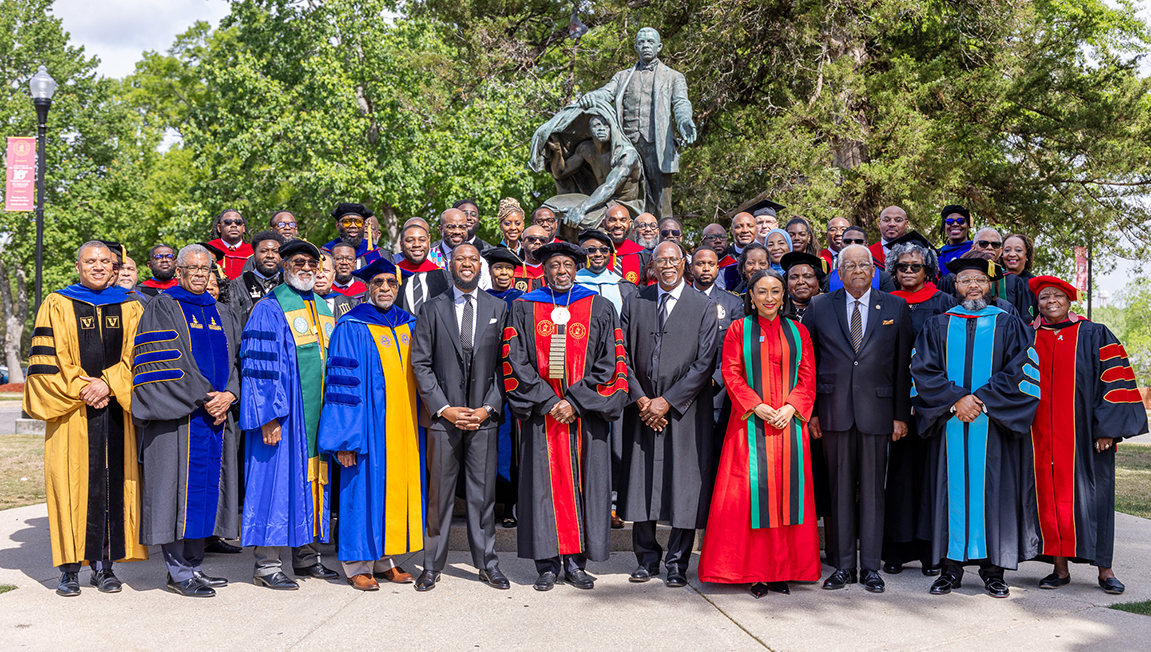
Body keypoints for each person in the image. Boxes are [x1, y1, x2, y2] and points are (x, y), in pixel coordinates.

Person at [501, 241, 630, 591]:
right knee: (541, 487)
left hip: (583, 417)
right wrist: (547, 401)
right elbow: (515, 360)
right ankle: (546, 565)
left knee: (585, 485)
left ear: (577, 268)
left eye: (568, 265)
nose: (562, 271)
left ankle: (575, 562)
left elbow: (610, 363)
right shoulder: (524, 307)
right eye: (555, 265)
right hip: (542, 418)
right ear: (544, 270)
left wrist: (574, 401)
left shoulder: (599, 307)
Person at [911, 257, 1041, 598]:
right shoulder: (938, 325)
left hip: (991, 423)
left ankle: (993, 571)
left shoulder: (1009, 325)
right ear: (955, 286)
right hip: (950, 421)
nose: (972, 286)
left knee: (992, 494)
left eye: (979, 281)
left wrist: (980, 400)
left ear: (989, 286)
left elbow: (1021, 371)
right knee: (949, 492)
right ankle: (949, 570)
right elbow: (922, 371)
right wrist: (956, 401)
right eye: (965, 280)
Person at [23, 241, 148, 596]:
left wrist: (108, 384)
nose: (97, 267)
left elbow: (138, 357)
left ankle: (105, 567)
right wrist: (85, 387)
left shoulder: (131, 307)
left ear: (114, 268)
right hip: (71, 412)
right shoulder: (57, 303)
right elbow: (51, 359)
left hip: (115, 411)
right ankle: (68, 569)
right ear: (77, 266)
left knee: (113, 484)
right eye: (90, 261)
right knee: (69, 484)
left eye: (104, 262)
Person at [697, 269, 820, 596]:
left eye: (775, 291)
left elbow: (808, 376)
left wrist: (791, 408)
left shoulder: (799, 332)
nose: (769, 298)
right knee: (750, 498)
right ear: (750, 296)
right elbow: (731, 372)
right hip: (749, 426)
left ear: (783, 296)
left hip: (789, 428)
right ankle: (753, 570)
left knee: (786, 497)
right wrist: (757, 406)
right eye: (762, 291)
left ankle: (784, 569)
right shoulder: (739, 329)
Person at [804, 244, 913, 594]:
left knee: (872, 493)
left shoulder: (895, 305)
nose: (858, 270)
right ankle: (843, 567)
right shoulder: (820, 306)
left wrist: (899, 415)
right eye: (849, 265)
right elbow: (807, 363)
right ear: (839, 272)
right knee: (839, 491)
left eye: (864, 264)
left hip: (879, 413)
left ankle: (870, 568)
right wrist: (814, 412)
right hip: (833, 413)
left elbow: (901, 367)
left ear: (874, 269)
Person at [132, 244, 240, 598]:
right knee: (174, 492)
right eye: (190, 268)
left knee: (209, 492)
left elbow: (239, 360)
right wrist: (205, 396)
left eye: (204, 269)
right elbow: (163, 360)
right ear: (178, 271)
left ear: (212, 273)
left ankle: (193, 566)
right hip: (180, 418)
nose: (197, 273)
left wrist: (230, 395)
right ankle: (178, 571)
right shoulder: (163, 305)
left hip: (216, 418)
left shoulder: (223, 311)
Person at [1027, 275, 1147, 595]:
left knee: (1095, 501)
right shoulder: (1029, 336)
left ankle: (1105, 570)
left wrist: (1108, 429)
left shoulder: (1094, 334)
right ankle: (1059, 568)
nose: (1051, 301)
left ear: (1070, 300)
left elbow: (1115, 382)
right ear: (1037, 304)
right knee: (1050, 500)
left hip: (1087, 438)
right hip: (1041, 438)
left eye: (1058, 296)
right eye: (1044, 297)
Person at [239, 239, 339, 590]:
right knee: (274, 483)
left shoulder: (326, 309)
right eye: (299, 261)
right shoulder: (270, 307)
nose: (307, 267)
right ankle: (266, 565)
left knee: (313, 482)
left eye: (314, 262)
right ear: (285, 266)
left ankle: (307, 556)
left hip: (317, 419)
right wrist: (267, 416)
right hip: (284, 417)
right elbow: (259, 366)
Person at [318, 257, 422, 591]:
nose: (385, 289)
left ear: (398, 287)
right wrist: (345, 441)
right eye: (379, 283)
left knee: (395, 491)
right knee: (361, 492)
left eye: (391, 283)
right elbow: (341, 387)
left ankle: (386, 558)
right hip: (365, 432)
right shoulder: (351, 326)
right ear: (368, 287)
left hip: (404, 427)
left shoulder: (410, 324)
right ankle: (356, 563)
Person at [618, 241, 718, 587]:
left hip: (685, 411)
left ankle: (677, 562)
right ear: (653, 265)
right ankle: (646, 558)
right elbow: (622, 355)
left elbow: (705, 363)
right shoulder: (636, 301)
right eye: (661, 260)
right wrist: (643, 400)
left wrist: (668, 401)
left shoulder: (703, 306)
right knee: (641, 482)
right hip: (641, 408)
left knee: (684, 485)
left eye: (674, 260)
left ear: (684, 264)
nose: (668, 265)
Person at [410, 244, 509, 591]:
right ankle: (432, 565)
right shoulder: (431, 309)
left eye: (472, 260)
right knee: (439, 495)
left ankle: (487, 564)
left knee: (483, 497)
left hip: (484, 418)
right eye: (460, 259)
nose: (466, 264)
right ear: (449, 265)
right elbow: (420, 363)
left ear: (479, 266)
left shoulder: (499, 307)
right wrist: (444, 408)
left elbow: (505, 366)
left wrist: (487, 408)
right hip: (443, 419)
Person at [880, 233, 956, 577]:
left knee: (930, 478)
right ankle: (895, 550)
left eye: (916, 265)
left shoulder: (943, 303)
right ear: (893, 270)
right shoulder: (883, 302)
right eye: (902, 266)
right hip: (892, 404)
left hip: (931, 405)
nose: (909, 270)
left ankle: (930, 553)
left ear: (928, 270)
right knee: (895, 478)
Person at [578, 27, 696, 218]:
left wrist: (684, 120)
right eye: (641, 42)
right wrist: (591, 96)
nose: (646, 46)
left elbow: (681, 102)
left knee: (661, 200)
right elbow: (606, 92)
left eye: (650, 42)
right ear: (636, 47)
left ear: (659, 46)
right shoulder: (622, 77)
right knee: (627, 195)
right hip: (627, 144)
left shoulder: (673, 77)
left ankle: (664, 241)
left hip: (658, 146)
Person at [482, 247, 527, 526]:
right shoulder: (483, 300)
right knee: (490, 444)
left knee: (514, 445)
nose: (503, 273)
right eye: (498, 268)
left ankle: (512, 505)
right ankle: (490, 506)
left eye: (508, 269)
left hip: (517, 379)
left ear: (515, 272)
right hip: (488, 377)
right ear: (490, 271)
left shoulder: (522, 302)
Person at [937, 228, 1035, 320]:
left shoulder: (1013, 281)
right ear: (973, 247)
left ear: (1000, 250)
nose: (989, 247)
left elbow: (1023, 320)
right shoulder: (950, 279)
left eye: (995, 245)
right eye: (983, 243)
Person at [226, 230, 284, 324]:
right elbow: (232, 324)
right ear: (254, 256)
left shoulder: (288, 285)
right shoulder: (238, 285)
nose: (270, 255)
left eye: (275, 251)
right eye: (264, 251)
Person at [575, 229, 639, 315]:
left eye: (604, 249)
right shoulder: (573, 284)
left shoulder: (624, 286)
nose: (598, 254)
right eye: (591, 250)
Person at [396, 222, 452, 315]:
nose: (417, 244)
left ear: (428, 243)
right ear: (401, 245)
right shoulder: (392, 276)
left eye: (422, 240)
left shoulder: (445, 277)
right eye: (410, 240)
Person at [825, 227, 898, 293]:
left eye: (858, 241)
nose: (853, 244)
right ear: (841, 245)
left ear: (866, 245)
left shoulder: (883, 278)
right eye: (847, 241)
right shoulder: (829, 279)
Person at [604, 204, 652, 286]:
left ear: (630, 224)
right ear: (604, 223)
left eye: (623, 220)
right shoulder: (595, 253)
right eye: (613, 220)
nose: (618, 225)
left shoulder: (643, 254)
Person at [780, 252, 827, 323]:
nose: (801, 282)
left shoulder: (829, 305)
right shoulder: (780, 308)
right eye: (794, 277)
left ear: (818, 279)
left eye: (807, 276)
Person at [209, 209, 253, 280]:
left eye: (238, 222)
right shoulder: (209, 250)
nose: (233, 225)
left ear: (243, 228)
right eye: (228, 222)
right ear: (219, 228)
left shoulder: (253, 252)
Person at [315, 251, 358, 318]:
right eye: (316, 270)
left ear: (334, 274)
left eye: (326, 270)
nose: (320, 275)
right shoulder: (299, 303)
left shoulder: (352, 305)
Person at [723, 212, 758, 289]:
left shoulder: (765, 255)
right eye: (739, 226)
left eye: (750, 226)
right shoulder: (724, 257)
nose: (745, 230)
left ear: (756, 229)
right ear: (732, 230)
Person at [937, 205, 973, 275]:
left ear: (968, 226)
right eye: (949, 221)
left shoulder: (974, 250)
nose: (955, 224)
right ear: (944, 227)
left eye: (961, 221)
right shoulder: (938, 255)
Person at [515, 225, 549, 292]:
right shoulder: (514, 272)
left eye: (542, 240)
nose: (537, 242)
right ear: (522, 244)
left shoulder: (552, 272)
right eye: (532, 239)